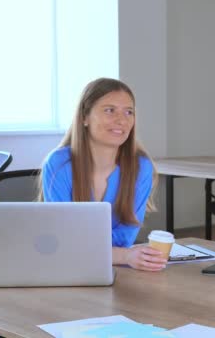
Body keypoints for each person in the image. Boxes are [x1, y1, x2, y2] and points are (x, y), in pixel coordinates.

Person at [41, 78, 167, 272]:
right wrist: (123, 255)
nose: (122, 120)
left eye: (129, 112)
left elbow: (125, 237)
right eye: (110, 110)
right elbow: (64, 238)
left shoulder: (141, 166)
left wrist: (91, 246)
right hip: (64, 268)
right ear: (84, 117)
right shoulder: (59, 164)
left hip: (112, 270)